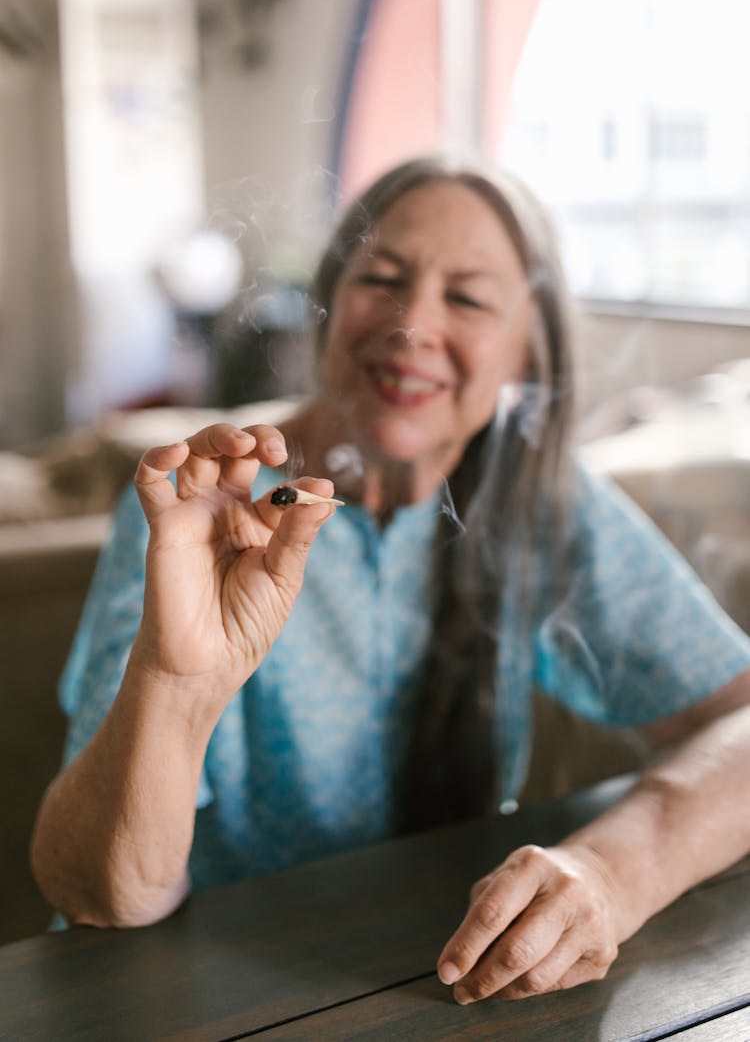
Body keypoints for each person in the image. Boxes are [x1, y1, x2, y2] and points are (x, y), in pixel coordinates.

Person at [31, 158, 750, 1004]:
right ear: (328, 306)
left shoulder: (541, 505)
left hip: (430, 986)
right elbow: (101, 895)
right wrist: (176, 683)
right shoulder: (202, 511)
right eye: (382, 279)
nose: (413, 326)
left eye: (470, 298)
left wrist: (611, 871)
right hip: (192, 995)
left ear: (525, 348)